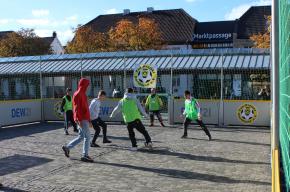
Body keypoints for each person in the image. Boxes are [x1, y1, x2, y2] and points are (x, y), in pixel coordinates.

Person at [62, 78, 94, 162]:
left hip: (83, 119)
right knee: (87, 137)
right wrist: (78, 120)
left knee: (81, 136)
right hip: (82, 119)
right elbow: (76, 109)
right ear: (84, 85)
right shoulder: (78, 94)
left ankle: (67, 147)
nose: (88, 86)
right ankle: (85, 155)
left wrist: (89, 120)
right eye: (87, 85)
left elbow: (86, 108)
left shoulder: (82, 94)